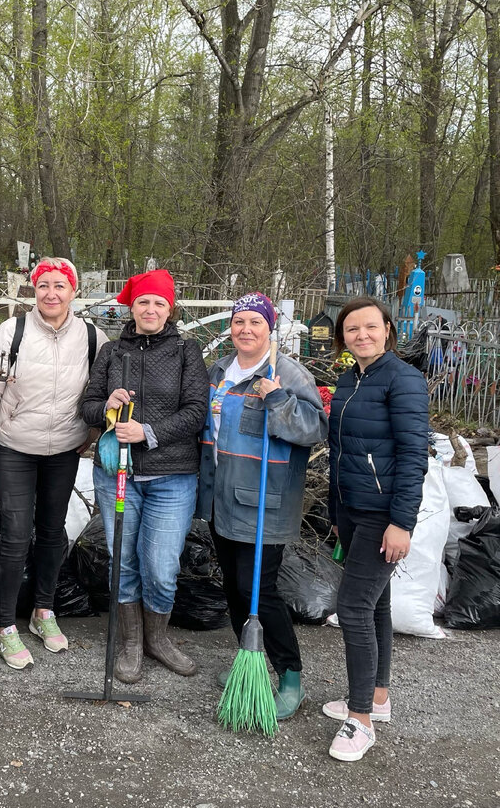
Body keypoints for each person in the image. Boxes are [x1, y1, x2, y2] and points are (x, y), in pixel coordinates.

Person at [0, 257, 108, 669]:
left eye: (59, 286)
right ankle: (4, 626)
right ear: (34, 290)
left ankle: (43, 610)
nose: (51, 293)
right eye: (43, 285)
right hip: (13, 444)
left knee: (52, 531)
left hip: (64, 447)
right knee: (13, 534)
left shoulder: (91, 336)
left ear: (73, 291)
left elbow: (99, 389)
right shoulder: (11, 331)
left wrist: (95, 429)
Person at [194, 292, 327, 718]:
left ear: (270, 328)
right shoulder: (219, 371)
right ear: (229, 328)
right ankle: (250, 660)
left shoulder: (287, 373)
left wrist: (278, 400)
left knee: (259, 590)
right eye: (239, 322)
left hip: (264, 503)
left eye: (255, 322)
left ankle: (290, 675)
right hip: (221, 500)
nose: (246, 329)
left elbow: (314, 429)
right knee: (233, 586)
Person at [80, 269, 207, 682]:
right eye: (144, 302)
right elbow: (88, 406)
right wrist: (107, 407)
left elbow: (195, 411)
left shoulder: (187, 351)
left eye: (160, 303)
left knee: (161, 565)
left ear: (170, 310)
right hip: (117, 473)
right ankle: (132, 643)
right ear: (132, 308)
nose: (151, 309)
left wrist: (147, 433)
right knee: (124, 560)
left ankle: (158, 638)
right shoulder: (113, 353)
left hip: (172, 476)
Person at [324, 295, 428, 761]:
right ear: (342, 337)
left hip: (381, 515)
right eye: (351, 329)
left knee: (352, 608)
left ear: (387, 329)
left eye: (370, 327)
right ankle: (378, 698)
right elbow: (342, 449)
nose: (361, 335)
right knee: (376, 604)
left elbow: (412, 457)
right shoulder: (351, 378)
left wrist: (401, 523)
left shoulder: (403, 380)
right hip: (350, 509)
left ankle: (360, 719)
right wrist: (335, 506)